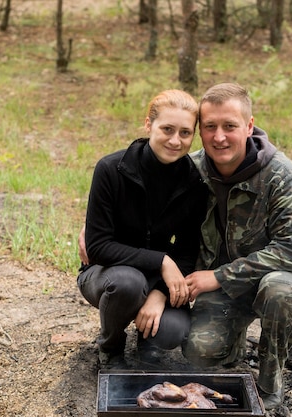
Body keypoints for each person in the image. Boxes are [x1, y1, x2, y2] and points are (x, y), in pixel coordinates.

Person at [182, 82, 292, 410]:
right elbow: (143, 197)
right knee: (200, 352)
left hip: (270, 280)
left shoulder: (279, 174)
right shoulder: (192, 170)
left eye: (230, 126)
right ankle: (234, 337)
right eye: (210, 127)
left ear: (249, 126)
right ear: (200, 130)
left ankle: (271, 383)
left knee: (280, 291)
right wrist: (96, 225)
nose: (219, 137)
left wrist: (218, 277)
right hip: (223, 295)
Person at [77, 89, 208, 369]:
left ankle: (148, 337)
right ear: (148, 125)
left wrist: (160, 294)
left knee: (172, 330)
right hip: (106, 273)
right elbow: (98, 246)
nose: (175, 140)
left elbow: (187, 250)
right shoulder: (112, 169)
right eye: (167, 129)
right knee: (128, 283)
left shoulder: (194, 184)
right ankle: (110, 350)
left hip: (158, 280)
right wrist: (160, 260)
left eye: (185, 133)